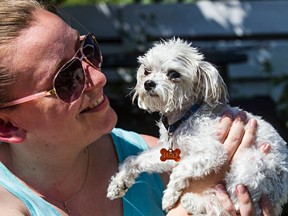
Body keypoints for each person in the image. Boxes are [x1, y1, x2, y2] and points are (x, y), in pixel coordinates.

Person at [0, 0, 275, 215]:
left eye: (88, 50)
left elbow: (177, 154)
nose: (99, 77)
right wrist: (187, 207)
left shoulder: (147, 150)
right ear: (7, 125)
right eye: (67, 79)